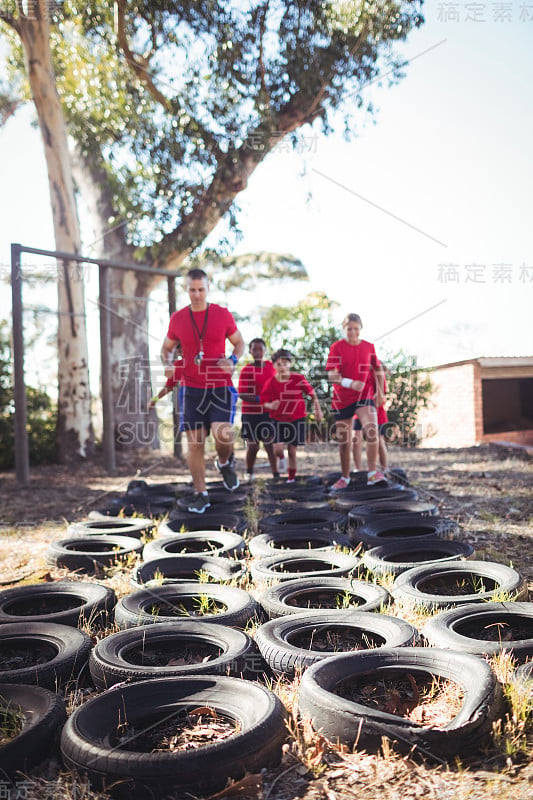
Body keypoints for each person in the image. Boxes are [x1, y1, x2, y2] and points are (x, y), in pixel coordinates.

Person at [160, 268, 245, 513]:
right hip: (191, 388)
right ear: (186, 290)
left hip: (220, 386)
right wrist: (167, 364)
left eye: (201, 290)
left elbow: (240, 342)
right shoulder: (177, 319)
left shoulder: (222, 314)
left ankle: (224, 461)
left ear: (208, 289)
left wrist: (232, 359)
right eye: (192, 290)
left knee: (223, 434)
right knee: (195, 444)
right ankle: (201, 493)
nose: (196, 295)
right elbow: (166, 349)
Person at [326, 313, 385, 488]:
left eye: (356, 329)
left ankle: (372, 473)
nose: (353, 332)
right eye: (349, 329)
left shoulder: (369, 347)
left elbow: (378, 369)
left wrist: (380, 392)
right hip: (342, 397)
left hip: (364, 395)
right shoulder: (337, 347)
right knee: (345, 442)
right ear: (344, 329)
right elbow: (331, 375)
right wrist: (350, 383)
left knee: (372, 429)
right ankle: (345, 477)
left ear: (361, 329)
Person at [260, 348, 323, 484]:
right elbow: (263, 402)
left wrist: (318, 410)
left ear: (290, 364)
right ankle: (281, 458)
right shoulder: (271, 382)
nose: (282, 367)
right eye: (278, 364)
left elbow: (312, 395)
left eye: (285, 363)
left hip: (297, 418)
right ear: (274, 365)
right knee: (277, 448)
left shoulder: (298, 378)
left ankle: (291, 478)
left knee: (292, 451)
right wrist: (271, 406)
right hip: (278, 419)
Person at [238, 338, 281, 481]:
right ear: (250, 351)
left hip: (267, 413)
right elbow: (242, 394)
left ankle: (276, 474)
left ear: (265, 351)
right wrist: (260, 399)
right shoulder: (246, 370)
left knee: (269, 443)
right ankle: (249, 472)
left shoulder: (272, 367)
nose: (257, 352)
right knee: (253, 446)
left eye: (260, 349)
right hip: (250, 413)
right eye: (254, 349)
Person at [352, 366, 389, 470]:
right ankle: (357, 469)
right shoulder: (357, 371)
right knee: (355, 438)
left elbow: (380, 399)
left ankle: (384, 470)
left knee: (378, 440)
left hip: (376, 410)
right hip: (359, 408)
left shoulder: (378, 373)